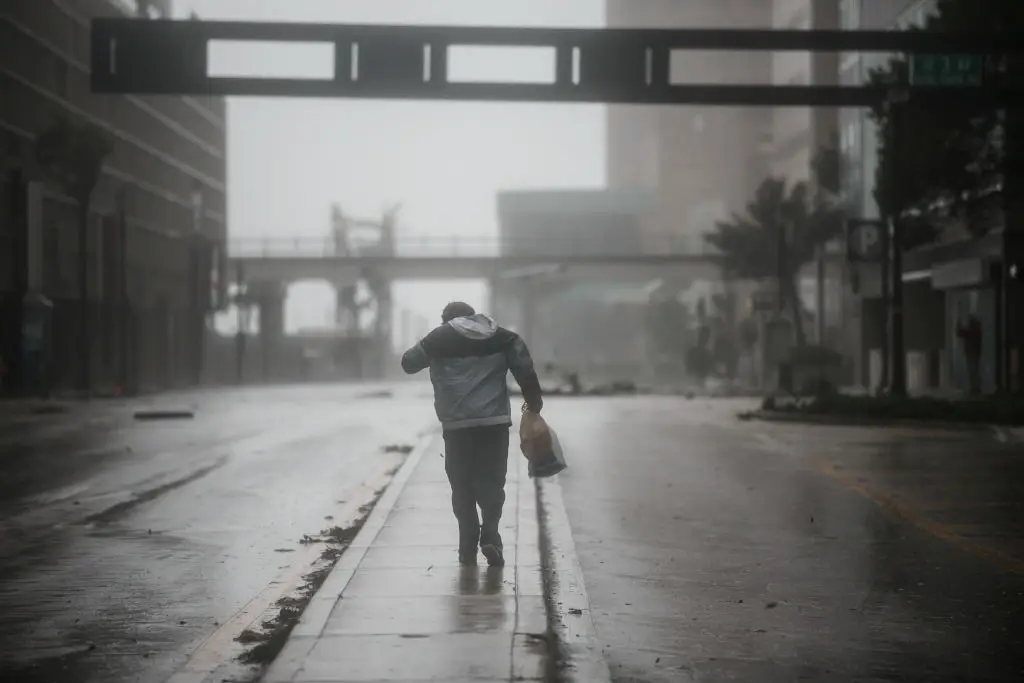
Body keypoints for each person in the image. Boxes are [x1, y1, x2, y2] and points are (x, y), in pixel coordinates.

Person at [401, 301, 543, 567]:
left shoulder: (439, 338)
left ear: (446, 320)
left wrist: (432, 346)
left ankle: (467, 543)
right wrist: (533, 404)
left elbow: (408, 363)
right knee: (493, 483)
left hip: (457, 427)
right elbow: (525, 369)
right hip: (495, 424)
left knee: (461, 485)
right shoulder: (503, 336)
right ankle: (491, 534)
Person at [956, 314, 982, 396]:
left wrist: (958, 323)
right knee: (974, 371)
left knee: (972, 371)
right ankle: (975, 388)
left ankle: (975, 388)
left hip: (972, 353)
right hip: (975, 353)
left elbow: (959, 333)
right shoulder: (976, 331)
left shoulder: (972, 331)